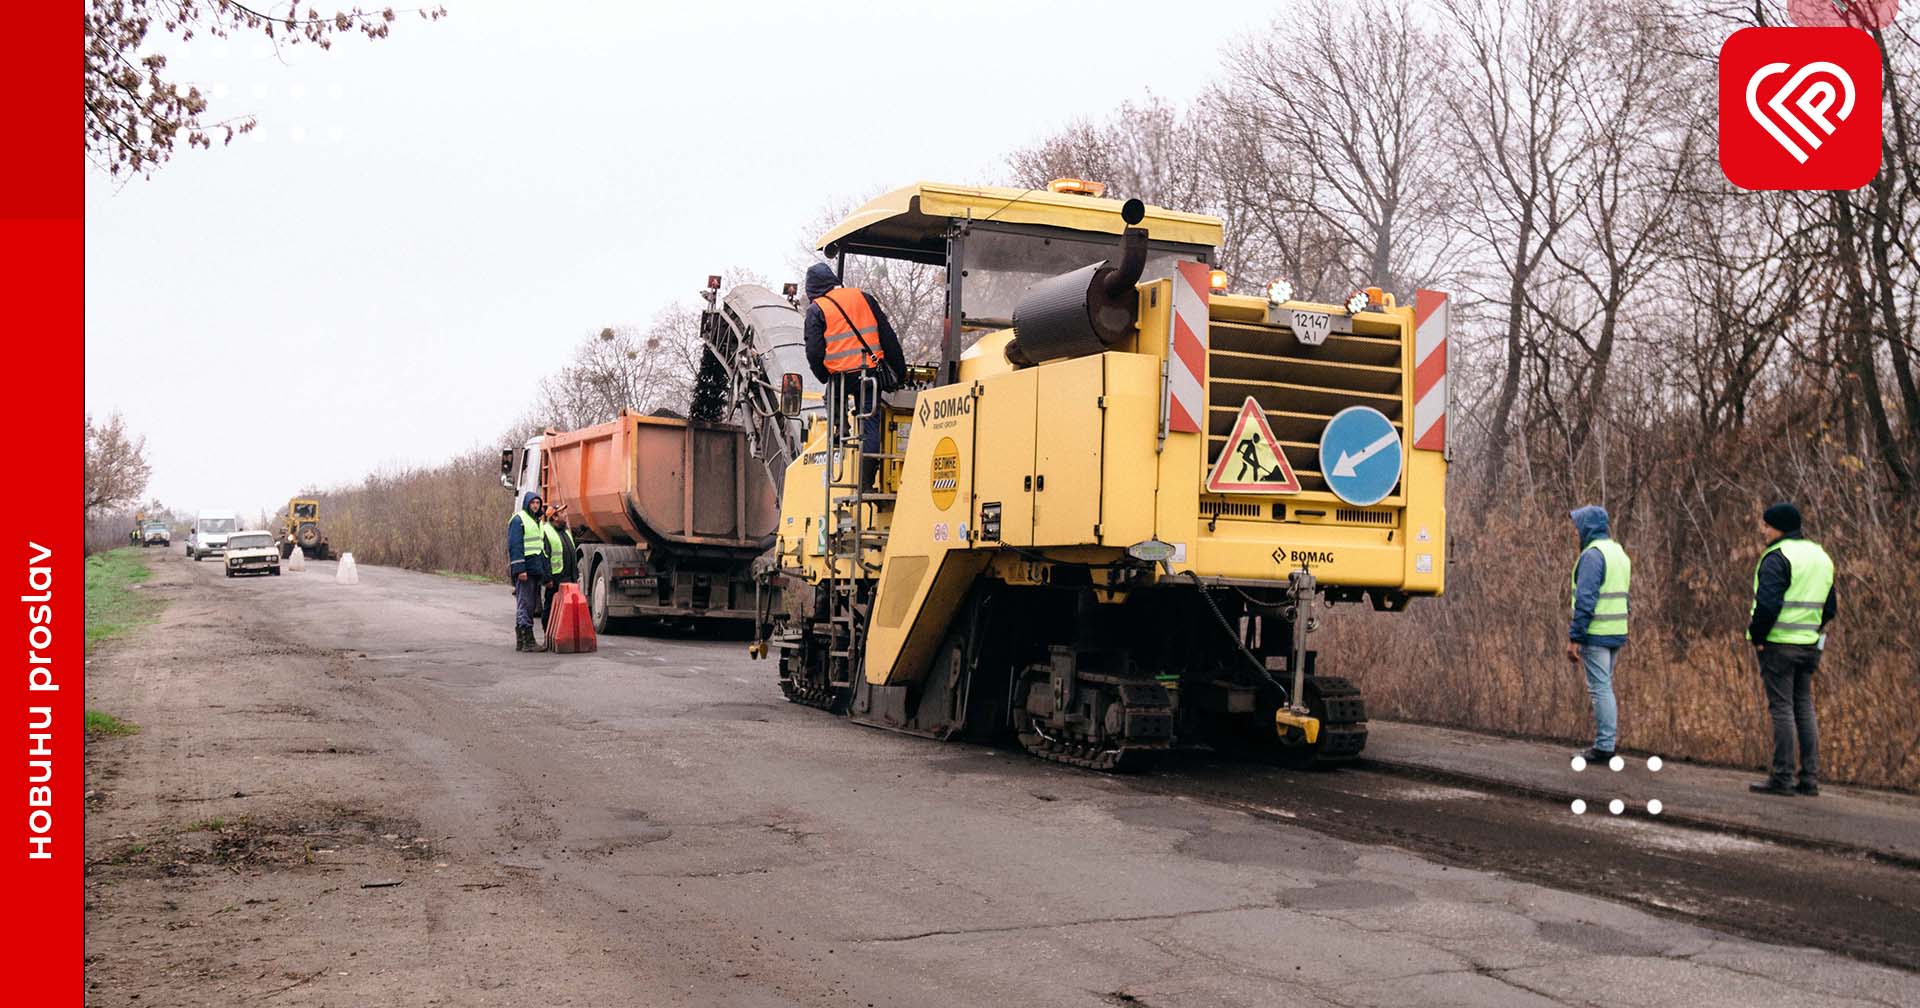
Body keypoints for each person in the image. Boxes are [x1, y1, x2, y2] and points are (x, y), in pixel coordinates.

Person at [1747, 501, 1836, 797]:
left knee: (1782, 709)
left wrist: (1758, 636)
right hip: (1810, 644)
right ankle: (1809, 778)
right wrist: (1811, 628)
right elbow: (1830, 607)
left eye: (1766, 525)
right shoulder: (1820, 556)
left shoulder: (1776, 556)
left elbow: (1768, 604)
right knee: (1804, 707)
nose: (1763, 530)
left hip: (1778, 644)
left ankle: (1782, 777)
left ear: (1777, 527)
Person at [802, 262, 906, 491]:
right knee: (870, 426)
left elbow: (814, 351)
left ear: (813, 289)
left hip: (841, 376)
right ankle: (867, 483)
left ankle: (841, 428)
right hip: (870, 374)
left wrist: (823, 376)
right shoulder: (863, 297)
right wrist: (900, 370)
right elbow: (887, 334)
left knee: (832, 398)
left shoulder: (816, 309)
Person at [1566, 505, 1630, 763]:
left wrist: (1575, 637)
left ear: (1587, 528)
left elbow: (1586, 599)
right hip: (1616, 631)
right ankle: (1606, 742)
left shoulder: (1593, 556)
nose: (1575, 532)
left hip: (1597, 633)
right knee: (1605, 686)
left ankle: (1604, 746)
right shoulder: (1618, 552)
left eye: (1577, 527)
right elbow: (1625, 595)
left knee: (1600, 688)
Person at [506, 491, 550, 653]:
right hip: (525, 570)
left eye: (538, 503)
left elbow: (540, 548)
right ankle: (527, 640)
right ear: (527, 504)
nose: (536, 506)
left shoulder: (537, 521)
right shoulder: (519, 520)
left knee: (529, 604)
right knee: (525, 604)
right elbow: (515, 546)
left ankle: (522, 641)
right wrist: (520, 570)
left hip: (534, 569)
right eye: (533, 503)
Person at [538, 502, 579, 640]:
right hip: (555, 579)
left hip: (569, 578)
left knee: (566, 610)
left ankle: (563, 635)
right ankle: (548, 635)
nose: (565, 515)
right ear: (554, 517)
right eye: (562, 513)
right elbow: (544, 557)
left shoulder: (565, 531)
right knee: (550, 608)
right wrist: (547, 579)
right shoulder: (546, 532)